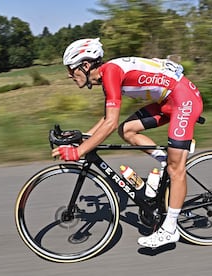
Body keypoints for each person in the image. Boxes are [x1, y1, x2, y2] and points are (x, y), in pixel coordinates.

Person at [52, 38, 203, 248]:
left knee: (176, 168)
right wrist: (86, 137)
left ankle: (170, 229)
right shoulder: (107, 75)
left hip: (183, 99)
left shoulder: (111, 73)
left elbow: (110, 123)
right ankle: (166, 159)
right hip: (166, 102)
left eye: (71, 69)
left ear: (85, 66)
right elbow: (108, 118)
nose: (69, 75)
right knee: (127, 130)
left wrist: (78, 153)